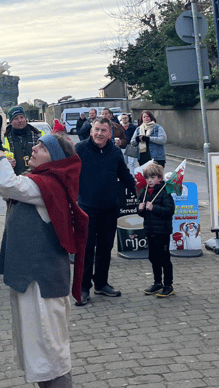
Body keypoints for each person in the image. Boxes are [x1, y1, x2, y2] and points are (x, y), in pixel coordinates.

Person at [0, 119, 88, 388]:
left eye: (41, 146)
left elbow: (9, 185)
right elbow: (6, 186)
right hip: (34, 279)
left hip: (42, 281)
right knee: (38, 347)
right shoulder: (42, 183)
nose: (34, 147)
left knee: (50, 349)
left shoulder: (48, 185)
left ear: (53, 157)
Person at [75, 117, 136, 306]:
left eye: (103, 130)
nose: (99, 134)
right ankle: (83, 288)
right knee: (86, 250)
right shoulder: (80, 150)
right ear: (91, 131)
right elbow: (68, 174)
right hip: (86, 208)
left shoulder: (115, 152)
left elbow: (124, 175)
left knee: (105, 249)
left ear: (110, 134)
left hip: (110, 208)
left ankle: (101, 284)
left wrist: (140, 193)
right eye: (96, 130)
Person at [138, 163, 175, 298]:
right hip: (150, 230)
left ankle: (168, 285)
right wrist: (140, 208)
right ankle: (157, 282)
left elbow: (169, 210)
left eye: (153, 177)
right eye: (147, 178)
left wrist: (154, 208)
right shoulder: (145, 192)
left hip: (162, 231)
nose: (150, 180)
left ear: (159, 178)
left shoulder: (165, 191)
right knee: (153, 257)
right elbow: (142, 214)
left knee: (164, 258)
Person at [5, 106, 42, 175]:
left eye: (22, 117)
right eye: (16, 118)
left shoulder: (37, 135)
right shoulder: (4, 138)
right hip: (14, 178)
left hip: (35, 176)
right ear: (11, 122)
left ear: (25, 119)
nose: (20, 120)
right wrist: (5, 163)